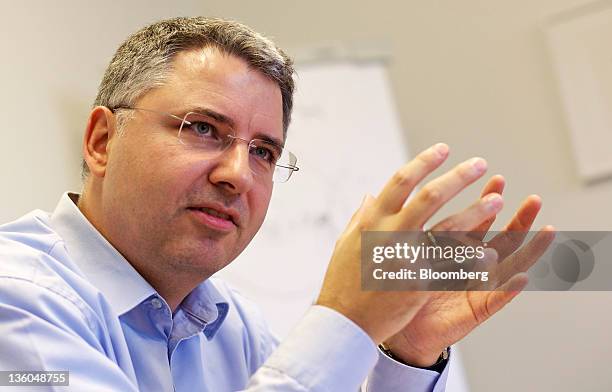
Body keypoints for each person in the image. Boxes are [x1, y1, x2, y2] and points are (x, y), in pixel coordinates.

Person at [0, 17, 554, 391]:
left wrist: (405, 351)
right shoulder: (17, 297)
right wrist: (343, 320)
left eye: (264, 151)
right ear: (102, 140)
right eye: (202, 128)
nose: (238, 174)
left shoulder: (231, 325)